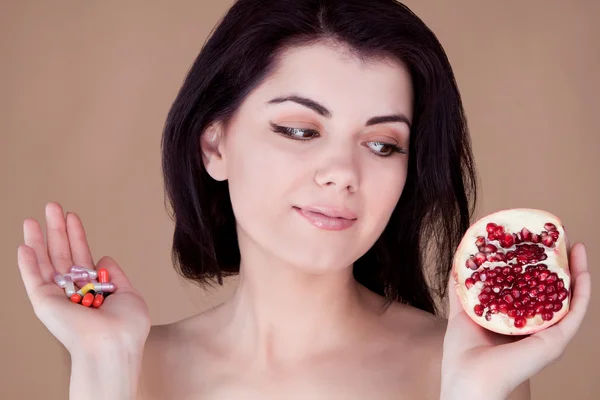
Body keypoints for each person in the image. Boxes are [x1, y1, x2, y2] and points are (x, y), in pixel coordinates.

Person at [17, 0, 591, 399]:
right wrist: (103, 370)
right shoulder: (126, 365)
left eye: (383, 143)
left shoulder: (470, 368)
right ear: (214, 144)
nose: (342, 173)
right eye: (299, 130)